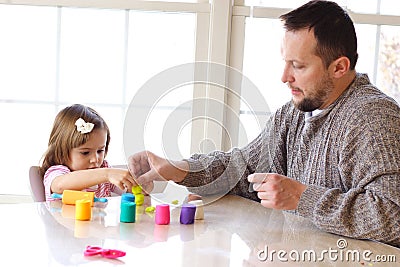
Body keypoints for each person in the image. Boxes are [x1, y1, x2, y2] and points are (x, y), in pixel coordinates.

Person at [128, 0, 400, 247]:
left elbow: (392, 215)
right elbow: (241, 170)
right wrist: (180, 169)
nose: (284, 77)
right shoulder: (294, 113)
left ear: (339, 67)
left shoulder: (373, 117)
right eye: (285, 62)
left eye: (298, 66)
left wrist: (301, 197)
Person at [40, 104, 136, 201]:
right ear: (62, 152)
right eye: (85, 152)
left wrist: (136, 188)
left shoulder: (104, 169)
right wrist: (107, 174)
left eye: (100, 151)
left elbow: (127, 192)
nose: (95, 159)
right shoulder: (57, 172)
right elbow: (59, 186)